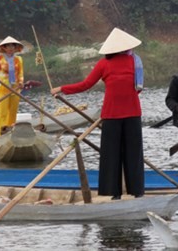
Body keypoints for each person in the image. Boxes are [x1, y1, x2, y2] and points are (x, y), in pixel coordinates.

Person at [50, 28, 144, 200]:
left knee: (130, 154)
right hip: (114, 114)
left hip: (129, 113)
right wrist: (63, 89)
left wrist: (62, 89)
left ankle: (133, 192)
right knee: (115, 154)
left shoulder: (135, 61)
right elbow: (86, 84)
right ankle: (121, 193)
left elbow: (137, 88)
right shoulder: (105, 64)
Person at [0, 36, 25, 135]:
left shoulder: (18, 59)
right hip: (3, 89)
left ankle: (11, 132)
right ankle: (1, 133)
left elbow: (20, 73)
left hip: (15, 89)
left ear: (15, 48)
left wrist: (21, 82)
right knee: (3, 113)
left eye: (12, 46)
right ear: (4, 48)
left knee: (13, 112)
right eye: (8, 46)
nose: (10, 48)